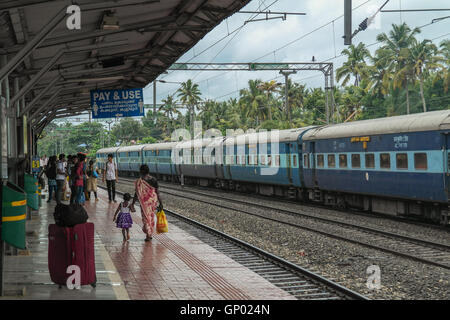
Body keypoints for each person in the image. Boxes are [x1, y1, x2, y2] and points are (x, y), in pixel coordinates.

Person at [131, 164, 163, 241]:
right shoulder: (153, 179)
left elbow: (137, 194)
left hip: (144, 203)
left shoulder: (140, 182)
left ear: (141, 171)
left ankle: (148, 235)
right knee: (151, 217)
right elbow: (157, 192)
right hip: (152, 202)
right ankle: (150, 233)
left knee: (146, 218)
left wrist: (133, 203)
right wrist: (161, 203)